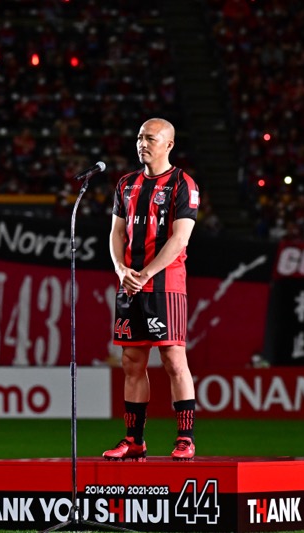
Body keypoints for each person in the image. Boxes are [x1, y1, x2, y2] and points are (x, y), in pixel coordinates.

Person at [103, 117, 200, 462]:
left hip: (165, 284)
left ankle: (185, 438)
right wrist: (120, 269)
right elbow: (117, 233)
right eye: (140, 137)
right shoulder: (126, 184)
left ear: (169, 145)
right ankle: (134, 440)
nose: (143, 143)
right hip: (130, 282)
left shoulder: (182, 184)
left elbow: (180, 238)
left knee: (174, 359)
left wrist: (145, 274)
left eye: (152, 139)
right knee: (132, 361)